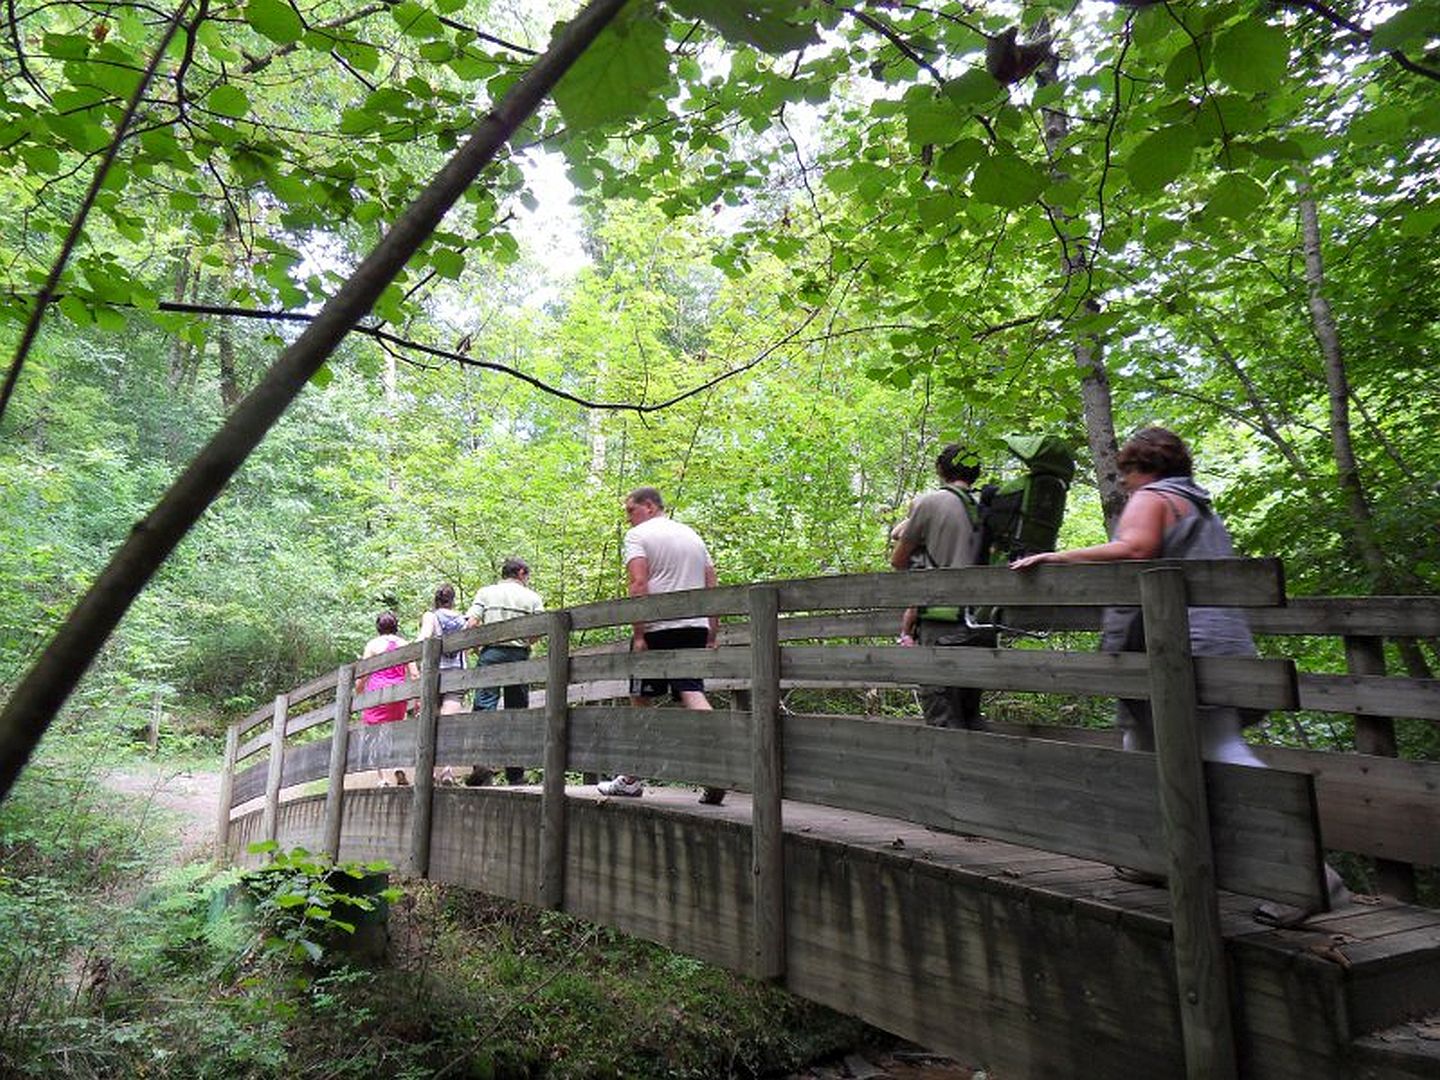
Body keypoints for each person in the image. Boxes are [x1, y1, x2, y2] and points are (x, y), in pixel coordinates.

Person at [1008, 426, 1265, 766]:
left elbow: (1136, 548)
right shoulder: (1200, 508)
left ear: (1149, 468)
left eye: (1128, 471)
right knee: (1153, 739)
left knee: (1216, 745)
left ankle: (1273, 803)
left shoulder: (1152, 497)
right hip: (1220, 638)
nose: (1123, 482)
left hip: (1180, 645)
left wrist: (1059, 557)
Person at [599, 486, 723, 805]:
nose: (628, 518)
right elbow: (712, 584)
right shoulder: (692, 536)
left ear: (649, 506)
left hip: (658, 626)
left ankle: (633, 778)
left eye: (631, 510)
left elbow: (639, 583)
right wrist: (711, 631)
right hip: (695, 626)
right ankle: (717, 771)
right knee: (691, 691)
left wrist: (639, 634)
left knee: (640, 696)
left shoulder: (638, 536)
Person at [889, 443, 997, 730]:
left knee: (944, 720)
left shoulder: (931, 502)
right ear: (975, 472)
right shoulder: (986, 506)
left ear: (940, 469)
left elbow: (898, 560)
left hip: (942, 623)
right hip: (982, 623)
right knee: (971, 717)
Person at [466, 558, 544, 784]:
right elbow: (540, 628)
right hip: (519, 656)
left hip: (491, 655)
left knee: (484, 707)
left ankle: (482, 765)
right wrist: (528, 641)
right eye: (527, 575)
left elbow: (472, 623)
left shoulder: (486, 593)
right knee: (517, 712)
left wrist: (477, 647)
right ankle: (515, 774)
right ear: (521, 572)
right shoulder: (532, 597)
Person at [356, 611, 420, 787]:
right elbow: (415, 674)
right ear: (396, 626)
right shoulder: (404, 644)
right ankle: (398, 767)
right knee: (396, 730)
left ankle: (382, 778)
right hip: (398, 693)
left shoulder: (372, 645)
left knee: (375, 734)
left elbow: (363, 673)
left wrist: (358, 692)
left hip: (376, 694)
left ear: (378, 627)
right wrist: (418, 699)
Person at [418, 584, 468, 784]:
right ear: (452, 600)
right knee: (449, 724)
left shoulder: (431, 616)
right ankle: (447, 771)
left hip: (434, 673)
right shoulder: (463, 619)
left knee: (431, 722)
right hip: (457, 673)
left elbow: (423, 638)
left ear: (436, 600)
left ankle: (429, 772)